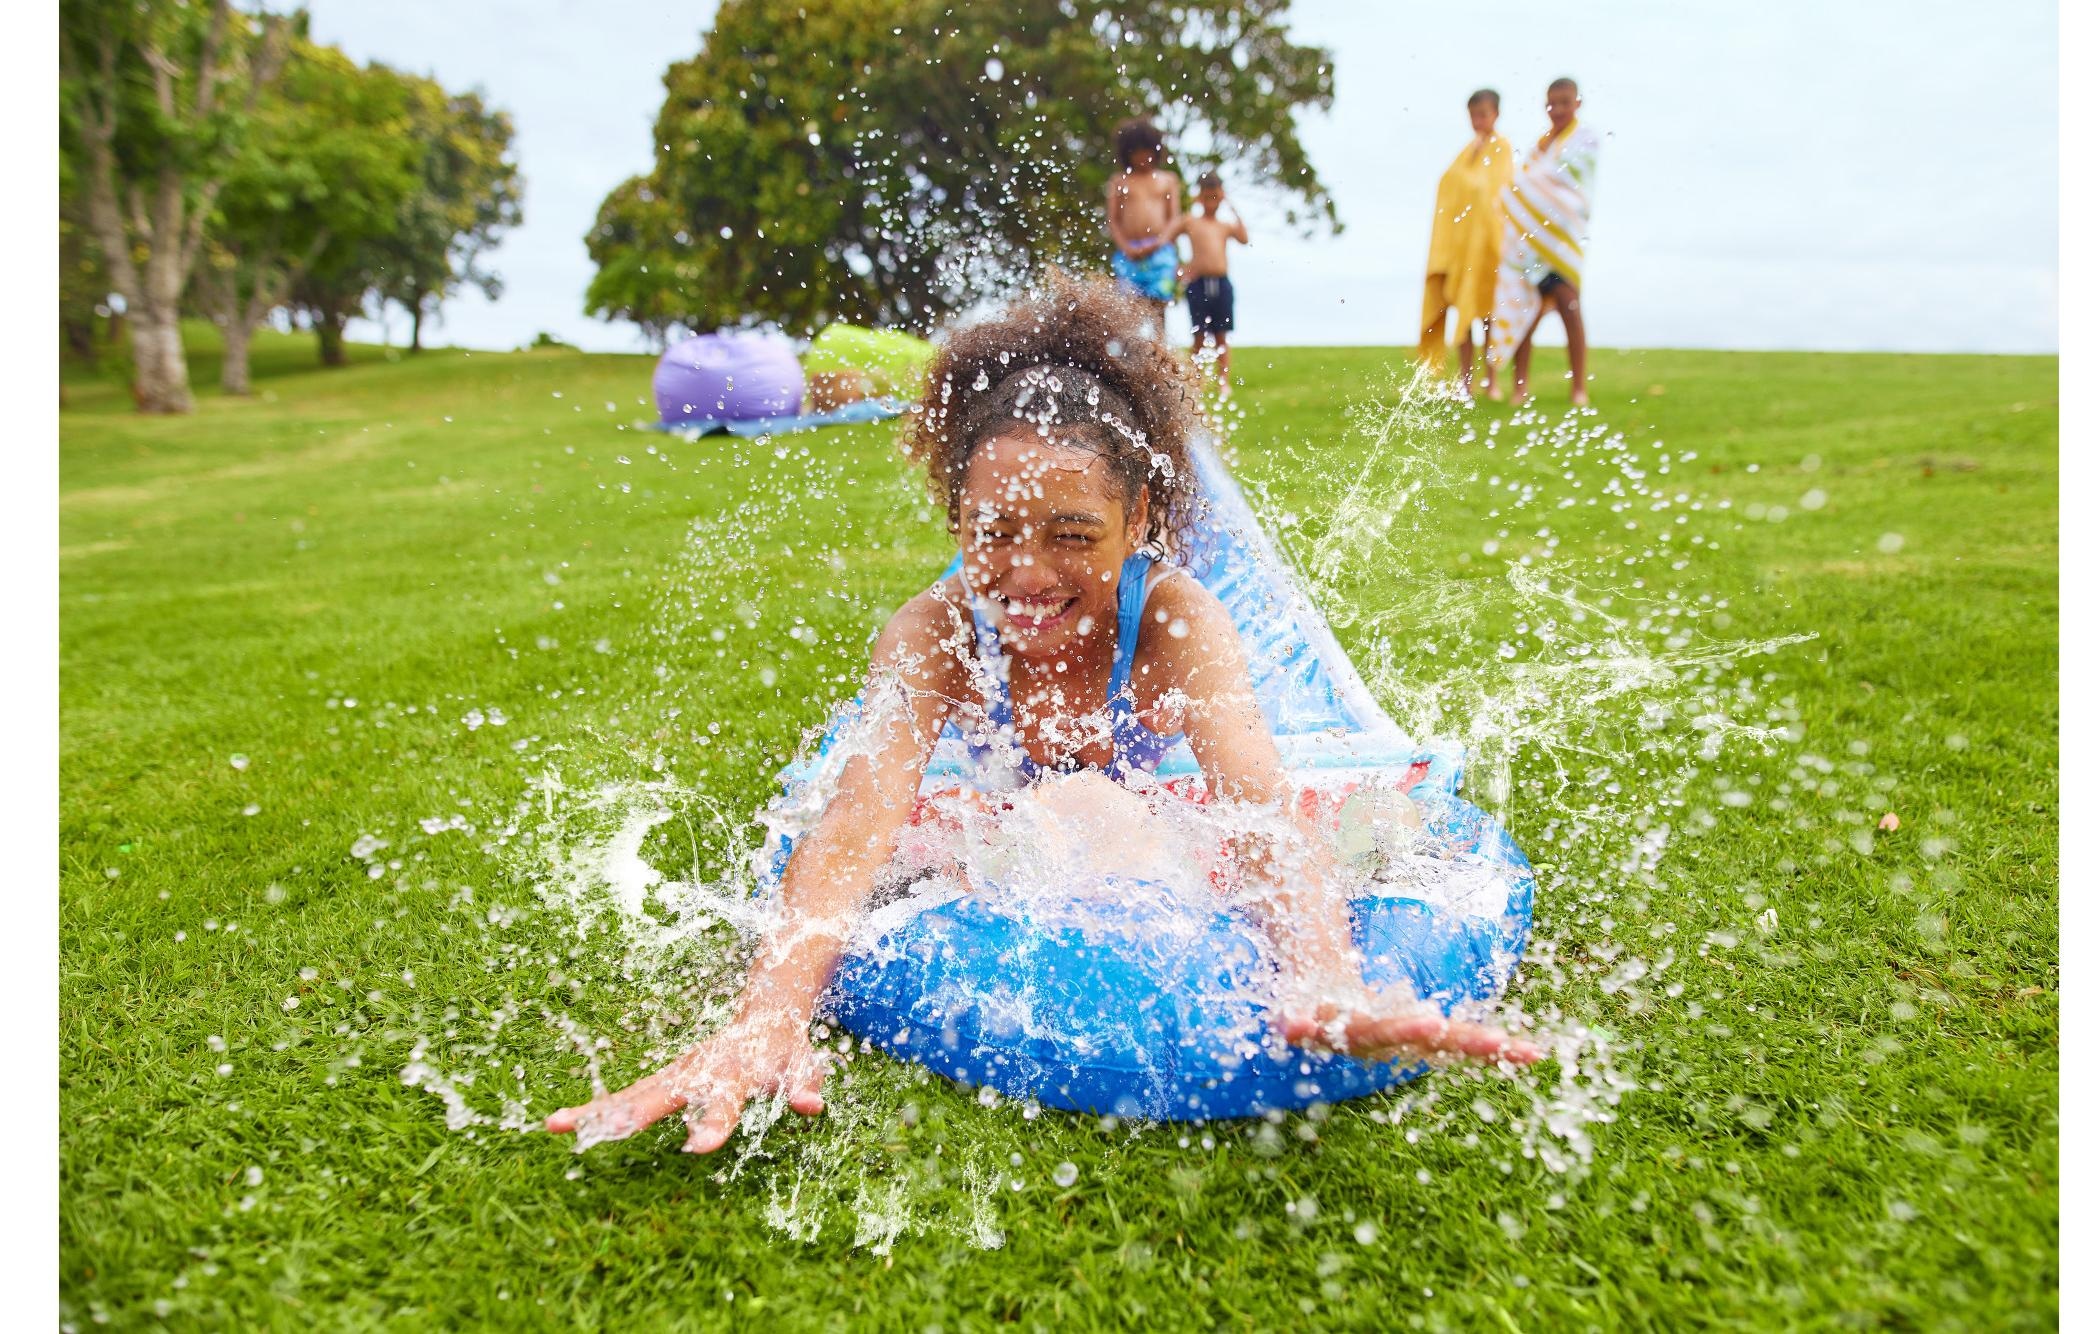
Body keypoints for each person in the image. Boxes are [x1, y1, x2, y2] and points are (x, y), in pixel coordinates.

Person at [546, 274, 1542, 1154]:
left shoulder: (1173, 621)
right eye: (993, 532)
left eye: (1072, 535)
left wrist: (1325, 971)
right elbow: (857, 820)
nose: (1026, 574)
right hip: (982, 783)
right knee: (941, 801)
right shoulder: (934, 632)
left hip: (1147, 760)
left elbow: (1257, 799)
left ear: (1141, 519)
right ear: (954, 517)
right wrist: (767, 1012)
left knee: (1324, 828)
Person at [1488, 78, 1604, 407]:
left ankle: (1578, 387)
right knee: (1526, 315)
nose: (1558, 110)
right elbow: (1523, 184)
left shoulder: (1585, 139)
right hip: (1531, 247)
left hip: (1562, 242)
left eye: (1565, 102)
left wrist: (1530, 189)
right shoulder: (1540, 146)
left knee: (1570, 307)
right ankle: (1519, 388)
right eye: (1552, 103)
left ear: (1577, 103)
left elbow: (1570, 187)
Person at [1416, 90, 1515, 397]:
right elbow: (1449, 183)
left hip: (1487, 244)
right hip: (1463, 248)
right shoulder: (1467, 152)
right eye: (1473, 115)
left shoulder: (1501, 147)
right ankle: (1466, 381)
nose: (1478, 121)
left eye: (1483, 114)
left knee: (1488, 316)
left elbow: (1496, 188)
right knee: (1464, 315)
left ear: (1495, 114)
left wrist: (1470, 188)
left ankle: (1492, 380)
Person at [1162, 170, 1248, 393]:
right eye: (1207, 197)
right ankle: (1195, 380)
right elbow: (1168, 236)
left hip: (1221, 282)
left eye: (1216, 197)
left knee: (1221, 334)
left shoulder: (1224, 225)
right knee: (1199, 333)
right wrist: (1178, 268)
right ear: (1200, 197)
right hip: (1198, 283)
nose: (1212, 202)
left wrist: (1231, 206)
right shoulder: (1191, 221)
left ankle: (1224, 381)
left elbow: (1244, 238)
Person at [1105, 117, 1183, 312]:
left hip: (1160, 251)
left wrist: (1159, 243)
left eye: (1147, 151)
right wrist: (1126, 248)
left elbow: (1174, 219)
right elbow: (1113, 220)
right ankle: (1132, 344)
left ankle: (1159, 343)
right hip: (1129, 253)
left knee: (1159, 305)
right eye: (1137, 152)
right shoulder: (1119, 181)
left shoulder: (1167, 180)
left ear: (1156, 151)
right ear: (1127, 153)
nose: (1143, 157)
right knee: (1129, 308)